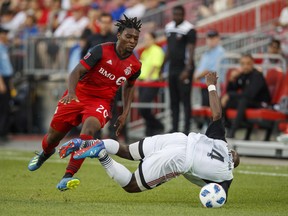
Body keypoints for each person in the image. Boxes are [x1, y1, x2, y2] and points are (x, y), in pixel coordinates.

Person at [59, 72, 240, 200]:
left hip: (180, 138)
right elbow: (220, 196)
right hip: (181, 159)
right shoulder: (226, 177)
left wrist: (211, 85)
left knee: (128, 152)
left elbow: (216, 115)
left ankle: (97, 143)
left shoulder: (220, 143)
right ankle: (101, 153)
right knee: (131, 185)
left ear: (231, 153)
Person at [28, 15, 143, 191]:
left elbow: (129, 86)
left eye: (136, 38)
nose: (132, 41)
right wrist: (72, 93)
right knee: (53, 137)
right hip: (77, 95)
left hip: (101, 102)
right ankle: (45, 153)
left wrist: (125, 112)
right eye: (129, 36)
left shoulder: (135, 65)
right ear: (119, 35)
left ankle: (68, 176)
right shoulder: (101, 50)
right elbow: (76, 71)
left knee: (89, 130)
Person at [161, 5, 197, 135]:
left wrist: (187, 69)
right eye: (175, 14)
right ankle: (174, 128)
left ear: (183, 15)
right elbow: (169, 49)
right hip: (173, 68)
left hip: (184, 68)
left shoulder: (189, 29)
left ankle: (187, 129)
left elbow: (191, 50)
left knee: (185, 100)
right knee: (173, 100)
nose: (177, 17)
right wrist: (162, 66)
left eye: (179, 14)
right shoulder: (169, 27)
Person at [221, 54, 271, 139]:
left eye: (248, 63)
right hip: (248, 102)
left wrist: (229, 95)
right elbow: (231, 90)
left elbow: (249, 95)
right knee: (223, 101)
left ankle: (232, 132)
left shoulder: (257, 75)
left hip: (260, 103)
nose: (245, 66)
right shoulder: (243, 75)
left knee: (242, 100)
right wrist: (231, 80)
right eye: (243, 64)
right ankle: (225, 127)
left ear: (252, 64)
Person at [138, 32, 164, 136]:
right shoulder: (145, 52)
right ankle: (150, 129)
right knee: (143, 107)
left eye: (148, 39)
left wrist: (148, 78)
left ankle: (157, 125)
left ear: (153, 40)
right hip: (143, 81)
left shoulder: (157, 50)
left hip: (151, 82)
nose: (145, 41)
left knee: (143, 107)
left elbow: (155, 65)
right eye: (144, 39)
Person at [194, 29, 225, 106]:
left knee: (212, 110)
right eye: (209, 38)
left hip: (214, 86)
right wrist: (196, 77)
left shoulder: (220, 52)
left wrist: (197, 77)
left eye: (213, 38)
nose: (210, 40)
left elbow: (211, 71)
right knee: (205, 108)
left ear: (218, 38)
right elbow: (200, 69)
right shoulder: (207, 53)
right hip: (204, 85)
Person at [0, 27, 13, 141]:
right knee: (3, 107)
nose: (6, 36)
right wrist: (1, 83)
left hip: (7, 79)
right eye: (4, 33)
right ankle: (2, 133)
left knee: (6, 107)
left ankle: (4, 131)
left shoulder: (4, 48)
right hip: (2, 79)